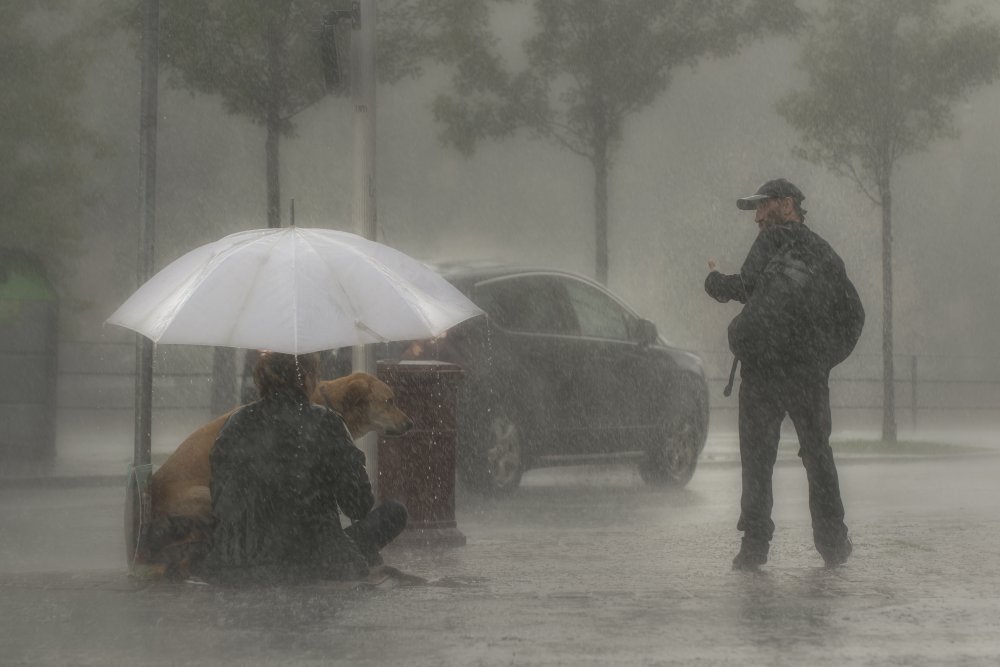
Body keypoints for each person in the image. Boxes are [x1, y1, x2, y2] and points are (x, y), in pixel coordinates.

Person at [705, 178, 863, 571]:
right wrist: (823, 358)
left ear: (788, 204)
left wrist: (714, 283)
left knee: (758, 459)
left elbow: (745, 286)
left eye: (764, 207)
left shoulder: (772, 241)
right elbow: (853, 314)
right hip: (808, 375)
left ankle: (755, 545)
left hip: (763, 374)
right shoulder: (824, 252)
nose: (757, 217)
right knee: (817, 454)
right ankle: (832, 541)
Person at [199, 351, 407, 584]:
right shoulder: (327, 423)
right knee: (394, 512)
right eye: (315, 376)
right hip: (313, 560)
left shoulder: (234, 424)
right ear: (307, 379)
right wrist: (352, 459)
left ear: (260, 380)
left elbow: (220, 502)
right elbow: (358, 506)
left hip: (238, 563)